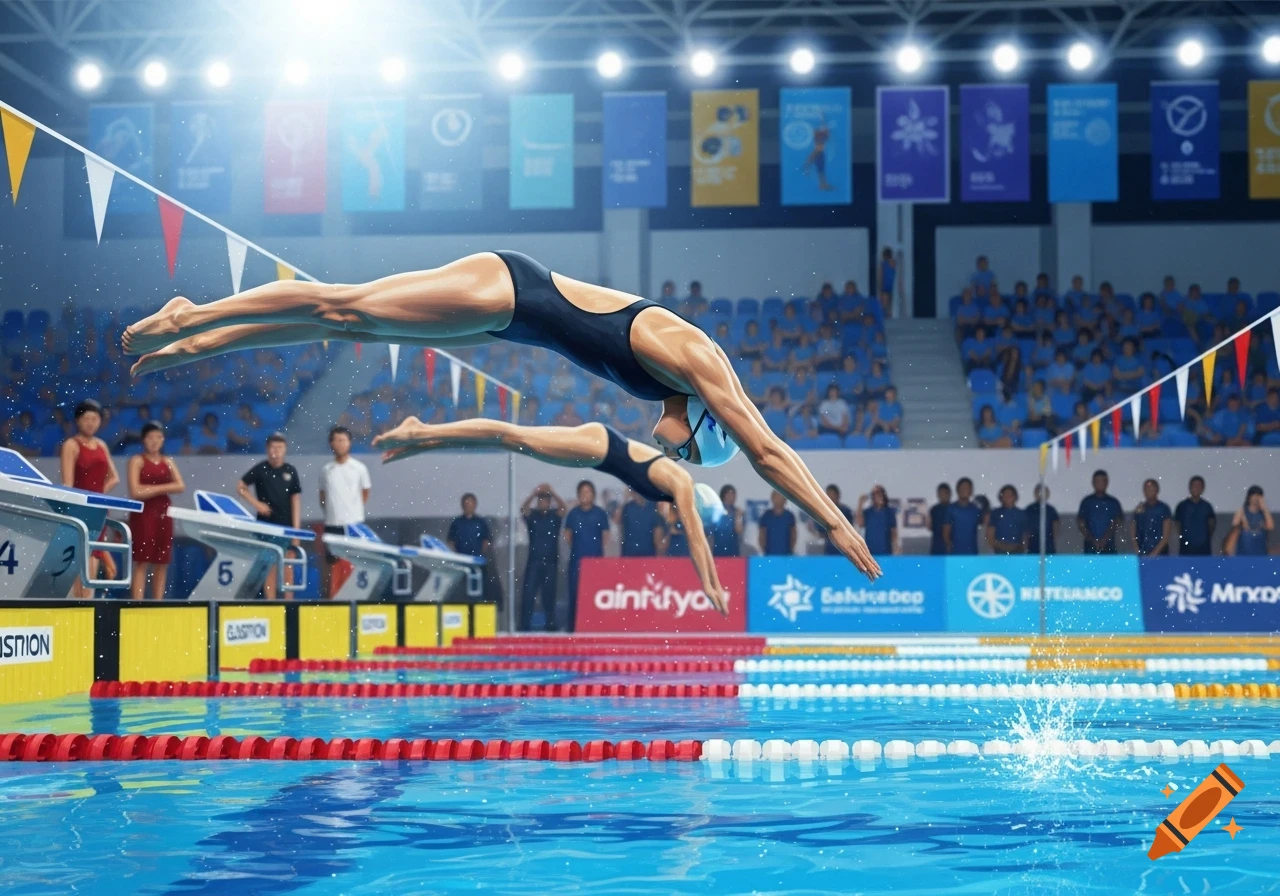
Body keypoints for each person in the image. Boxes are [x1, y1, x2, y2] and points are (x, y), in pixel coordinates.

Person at [125, 250, 881, 582]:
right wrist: (834, 522)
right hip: (509, 291)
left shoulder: (675, 381)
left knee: (354, 325)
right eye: (687, 454)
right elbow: (768, 451)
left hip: (506, 317)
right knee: (346, 307)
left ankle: (205, 338)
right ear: (708, 421)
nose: (672, 458)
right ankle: (196, 314)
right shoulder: (697, 360)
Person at [374, 417, 727, 612]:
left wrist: (714, 583)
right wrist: (711, 586)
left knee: (513, 439)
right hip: (599, 446)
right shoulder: (682, 484)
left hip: (599, 448)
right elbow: (697, 541)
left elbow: (696, 536)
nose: (682, 521)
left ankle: (424, 440)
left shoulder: (675, 487)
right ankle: (422, 431)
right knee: (512, 436)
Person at [60, 399, 121, 598]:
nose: (91, 423)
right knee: (79, 563)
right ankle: (77, 607)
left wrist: (96, 496)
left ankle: (88, 605)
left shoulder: (101, 445)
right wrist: (82, 502)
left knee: (93, 563)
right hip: (79, 511)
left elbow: (114, 477)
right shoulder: (71, 445)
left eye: (95, 419)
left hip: (97, 511)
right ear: (78, 420)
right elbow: (68, 484)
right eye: (86, 418)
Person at [238, 432, 303, 599]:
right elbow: (241, 486)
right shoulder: (261, 469)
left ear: (285, 449)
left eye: (279, 447)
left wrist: (296, 530)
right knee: (269, 566)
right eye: (273, 447)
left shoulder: (290, 471)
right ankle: (271, 603)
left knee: (288, 566)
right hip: (266, 527)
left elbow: (295, 500)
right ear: (267, 449)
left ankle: (289, 604)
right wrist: (256, 504)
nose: (276, 451)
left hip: (286, 527)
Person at [126, 422, 184, 600]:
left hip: (163, 512)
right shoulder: (137, 461)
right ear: (144, 440)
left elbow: (180, 485)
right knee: (142, 560)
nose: (154, 441)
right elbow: (135, 491)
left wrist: (151, 489)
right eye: (150, 437)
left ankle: (158, 601)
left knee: (162, 560)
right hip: (144, 513)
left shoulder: (167, 461)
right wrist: (164, 488)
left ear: (163, 440)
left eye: (158, 437)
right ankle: (137, 601)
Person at [318, 425, 371, 599]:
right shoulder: (326, 470)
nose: (340, 444)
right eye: (337, 440)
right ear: (331, 443)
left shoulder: (359, 468)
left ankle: (353, 599)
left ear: (349, 443)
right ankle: (330, 600)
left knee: (353, 564)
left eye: (344, 440)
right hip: (332, 524)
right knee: (330, 564)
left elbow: (365, 493)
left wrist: (352, 511)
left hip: (354, 525)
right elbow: (323, 497)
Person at [562, 480, 611, 630]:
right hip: (577, 561)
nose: (585, 495)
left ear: (593, 495)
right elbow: (568, 535)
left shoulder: (600, 514)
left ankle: (594, 627)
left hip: (595, 562)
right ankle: (573, 629)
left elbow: (605, 536)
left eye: (588, 492)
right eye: (582, 492)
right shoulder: (573, 514)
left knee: (595, 595)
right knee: (575, 595)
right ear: (578, 495)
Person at [519, 485, 564, 631]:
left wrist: (553, 492)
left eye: (546, 500)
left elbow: (563, 508)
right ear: (538, 502)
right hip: (534, 562)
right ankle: (525, 625)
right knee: (529, 594)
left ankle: (550, 624)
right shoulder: (532, 516)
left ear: (549, 502)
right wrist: (534, 493)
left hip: (550, 562)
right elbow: (523, 509)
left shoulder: (554, 516)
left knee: (549, 595)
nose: (543, 503)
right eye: (541, 500)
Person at [449, 492, 505, 604]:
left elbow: (486, 540)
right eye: (466, 504)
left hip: (477, 562)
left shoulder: (481, 522)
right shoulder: (457, 523)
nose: (468, 506)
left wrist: (478, 553)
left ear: (475, 505)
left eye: (471, 503)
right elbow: (451, 541)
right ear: (462, 505)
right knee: (461, 590)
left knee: (479, 589)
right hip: (461, 562)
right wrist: (459, 555)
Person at [1077, 469, 1123, 554]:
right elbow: (1081, 522)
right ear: (1093, 483)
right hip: (1090, 547)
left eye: (1102, 481)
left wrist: (1105, 539)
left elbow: (1117, 521)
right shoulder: (1086, 502)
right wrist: (1092, 539)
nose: (1100, 484)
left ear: (1107, 482)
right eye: (1097, 481)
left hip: (1109, 547)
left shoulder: (1113, 503)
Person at [1173, 476, 1216, 556]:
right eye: (1194, 485)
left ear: (1203, 488)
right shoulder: (1182, 506)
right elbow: (1177, 524)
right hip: (1186, 548)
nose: (1196, 488)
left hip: (1204, 548)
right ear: (1189, 487)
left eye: (1199, 486)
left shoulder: (1207, 506)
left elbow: (1211, 524)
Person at [1131, 478, 1173, 556]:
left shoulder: (1164, 508)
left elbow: (1166, 536)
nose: (1149, 492)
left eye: (1151, 489)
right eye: (1146, 489)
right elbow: (1133, 532)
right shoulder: (1139, 509)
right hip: (1143, 553)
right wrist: (1137, 550)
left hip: (1161, 554)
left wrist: (1154, 554)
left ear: (1157, 490)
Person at [617, 487, 663, 557]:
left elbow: (658, 529)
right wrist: (625, 499)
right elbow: (617, 520)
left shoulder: (654, 506)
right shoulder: (627, 507)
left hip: (648, 554)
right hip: (629, 554)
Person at [1228, 486, 1273, 556]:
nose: (1256, 498)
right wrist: (1242, 519)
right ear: (1249, 497)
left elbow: (1270, 527)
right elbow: (1234, 526)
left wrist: (1264, 508)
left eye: (1258, 496)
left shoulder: (1264, 514)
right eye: (1253, 495)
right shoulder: (1241, 512)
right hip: (1243, 554)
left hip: (1261, 554)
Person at [813, 484, 855, 555]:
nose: (829, 498)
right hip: (829, 548)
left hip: (845, 547)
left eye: (832, 495)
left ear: (837, 495)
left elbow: (849, 529)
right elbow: (820, 530)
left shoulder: (846, 511)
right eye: (827, 495)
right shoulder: (823, 512)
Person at [856, 485, 898, 556]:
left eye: (879, 494)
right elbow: (860, 523)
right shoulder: (868, 512)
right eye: (874, 495)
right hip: (870, 551)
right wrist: (860, 503)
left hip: (886, 551)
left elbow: (893, 531)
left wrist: (895, 546)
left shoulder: (889, 512)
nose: (877, 497)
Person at [946, 477, 983, 556]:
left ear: (971, 491)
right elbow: (945, 532)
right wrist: (949, 547)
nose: (965, 490)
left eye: (967, 488)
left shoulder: (976, 510)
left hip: (972, 554)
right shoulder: (951, 509)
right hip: (955, 554)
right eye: (962, 487)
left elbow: (983, 531)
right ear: (957, 490)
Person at [986, 485, 1028, 554]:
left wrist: (1024, 549)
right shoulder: (995, 513)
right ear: (1001, 498)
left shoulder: (1022, 514)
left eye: (1010, 495)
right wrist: (997, 545)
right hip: (999, 550)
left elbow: (1025, 534)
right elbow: (990, 533)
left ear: (1015, 497)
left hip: (1017, 550)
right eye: (1005, 495)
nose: (1007, 497)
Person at [757, 490, 796, 556]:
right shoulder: (766, 516)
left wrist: (790, 550)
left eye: (781, 497)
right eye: (777, 497)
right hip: (769, 555)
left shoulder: (789, 516)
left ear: (785, 500)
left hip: (786, 556)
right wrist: (764, 550)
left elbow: (793, 535)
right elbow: (762, 535)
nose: (779, 500)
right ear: (772, 498)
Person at [712, 484, 744, 557]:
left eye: (733, 494)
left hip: (733, 550)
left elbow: (739, 530)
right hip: (718, 550)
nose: (732, 496)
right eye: (729, 493)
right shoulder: (716, 510)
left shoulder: (737, 512)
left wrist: (738, 517)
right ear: (724, 495)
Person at [927, 482, 952, 555]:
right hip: (936, 545)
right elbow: (930, 527)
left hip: (951, 545)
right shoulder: (934, 509)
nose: (943, 495)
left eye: (945, 493)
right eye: (941, 493)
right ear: (938, 494)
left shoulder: (954, 509)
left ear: (949, 494)